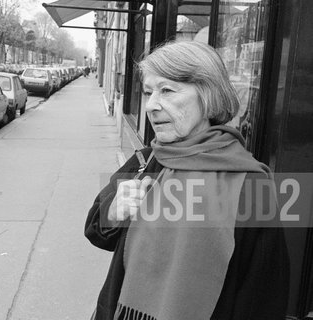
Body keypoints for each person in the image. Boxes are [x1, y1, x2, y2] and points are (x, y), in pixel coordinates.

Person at [85, 41, 290, 320]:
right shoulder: (147, 162)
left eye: (167, 90)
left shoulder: (251, 184)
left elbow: (263, 295)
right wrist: (113, 211)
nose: (152, 106)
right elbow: (95, 231)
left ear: (208, 96)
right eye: (148, 92)